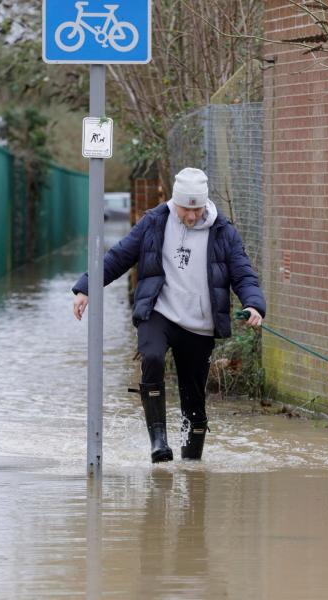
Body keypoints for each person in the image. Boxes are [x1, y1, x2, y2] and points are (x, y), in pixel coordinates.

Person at [72, 167, 266, 463]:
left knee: (194, 401)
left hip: (199, 324)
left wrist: (253, 304)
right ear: (174, 202)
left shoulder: (223, 231)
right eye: (185, 209)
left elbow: (243, 273)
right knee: (151, 357)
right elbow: (119, 256)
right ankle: (159, 443)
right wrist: (86, 287)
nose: (191, 216)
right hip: (159, 312)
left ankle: (192, 464)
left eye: (197, 209)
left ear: (205, 204)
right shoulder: (154, 222)